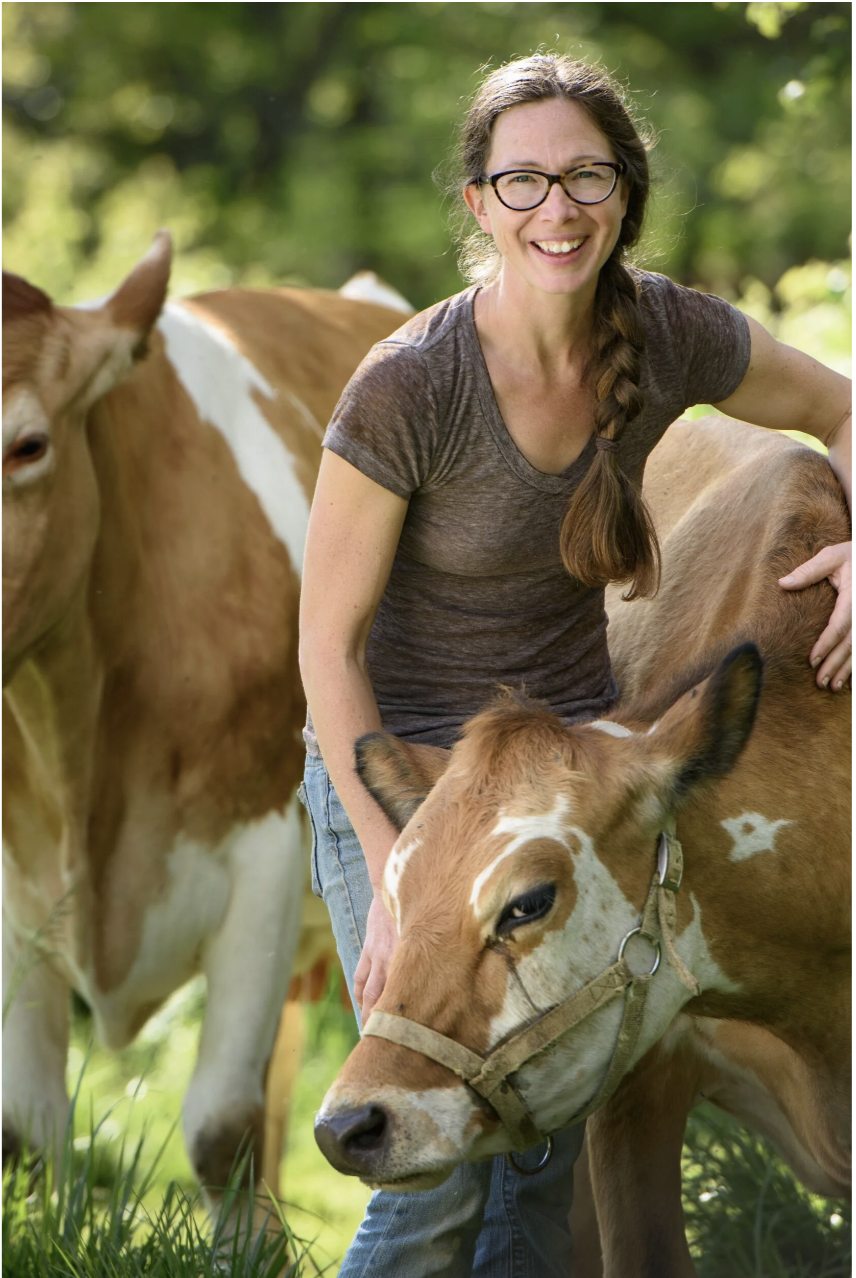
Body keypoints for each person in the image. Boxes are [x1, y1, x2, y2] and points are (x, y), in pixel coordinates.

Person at [298, 53, 851, 1278]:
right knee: (423, 1151)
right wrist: (398, 869)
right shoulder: (407, 386)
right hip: (406, 769)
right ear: (480, 204)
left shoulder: (664, 335)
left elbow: (844, 404)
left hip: (562, 761)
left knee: (539, 1156)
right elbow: (324, 645)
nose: (559, 208)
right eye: (525, 180)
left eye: (587, 177)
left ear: (625, 192)